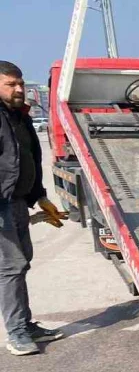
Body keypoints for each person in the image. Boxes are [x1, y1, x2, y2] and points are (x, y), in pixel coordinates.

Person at [0, 60, 65, 356]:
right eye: (10, 84)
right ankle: (15, 332)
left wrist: (40, 196)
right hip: (2, 204)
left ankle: (25, 324)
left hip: (17, 201)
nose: (18, 89)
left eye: (21, 83)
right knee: (11, 266)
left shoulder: (20, 115)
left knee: (22, 262)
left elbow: (28, 158)